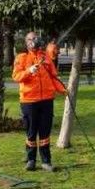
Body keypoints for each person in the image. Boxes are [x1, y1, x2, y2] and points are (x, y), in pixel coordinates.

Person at [11, 31, 66, 172]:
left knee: (45, 132)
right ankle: (31, 160)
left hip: (47, 100)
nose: (35, 40)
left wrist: (63, 90)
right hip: (29, 100)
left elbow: (53, 77)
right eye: (32, 38)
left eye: (36, 37)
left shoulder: (45, 56)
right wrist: (29, 71)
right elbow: (16, 76)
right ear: (27, 42)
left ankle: (46, 162)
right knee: (31, 132)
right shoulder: (21, 57)